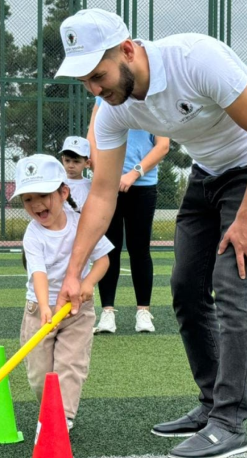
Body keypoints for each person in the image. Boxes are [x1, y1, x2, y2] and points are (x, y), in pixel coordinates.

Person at [54, 9, 247, 458]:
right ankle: (210, 405)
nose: (94, 88)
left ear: (128, 50)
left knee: (235, 282)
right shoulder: (111, 109)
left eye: (98, 74)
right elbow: (103, 194)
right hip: (209, 170)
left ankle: (230, 424)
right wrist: (74, 271)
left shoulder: (196, 59)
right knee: (185, 288)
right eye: (84, 79)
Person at [14, 154, 113, 430]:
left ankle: (62, 418)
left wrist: (87, 283)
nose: (36, 204)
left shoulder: (82, 223)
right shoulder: (32, 234)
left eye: (43, 195)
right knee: (39, 374)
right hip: (39, 311)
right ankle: (50, 408)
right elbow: (38, 274)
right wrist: (45, 307)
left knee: (70, 365)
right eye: (28, 199)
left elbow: (103, 260)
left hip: (76, 311)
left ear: (63, 191)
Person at [88, 97, 170, 334]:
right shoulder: (103, 98)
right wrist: (103, 172)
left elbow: (162, 145)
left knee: (139, 249)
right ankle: (107, 313)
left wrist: (134, 174)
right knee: (108, 248)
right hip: (108, 186)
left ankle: (143, 312)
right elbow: (92, 136)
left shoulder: (154, 101)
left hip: (143, 186)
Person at [60, 135, 92, 210]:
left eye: (76, 161)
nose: (71, 165)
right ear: (62, 160)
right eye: (67, 160)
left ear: (87, 163)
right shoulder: (57, 183)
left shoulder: (90, 186)